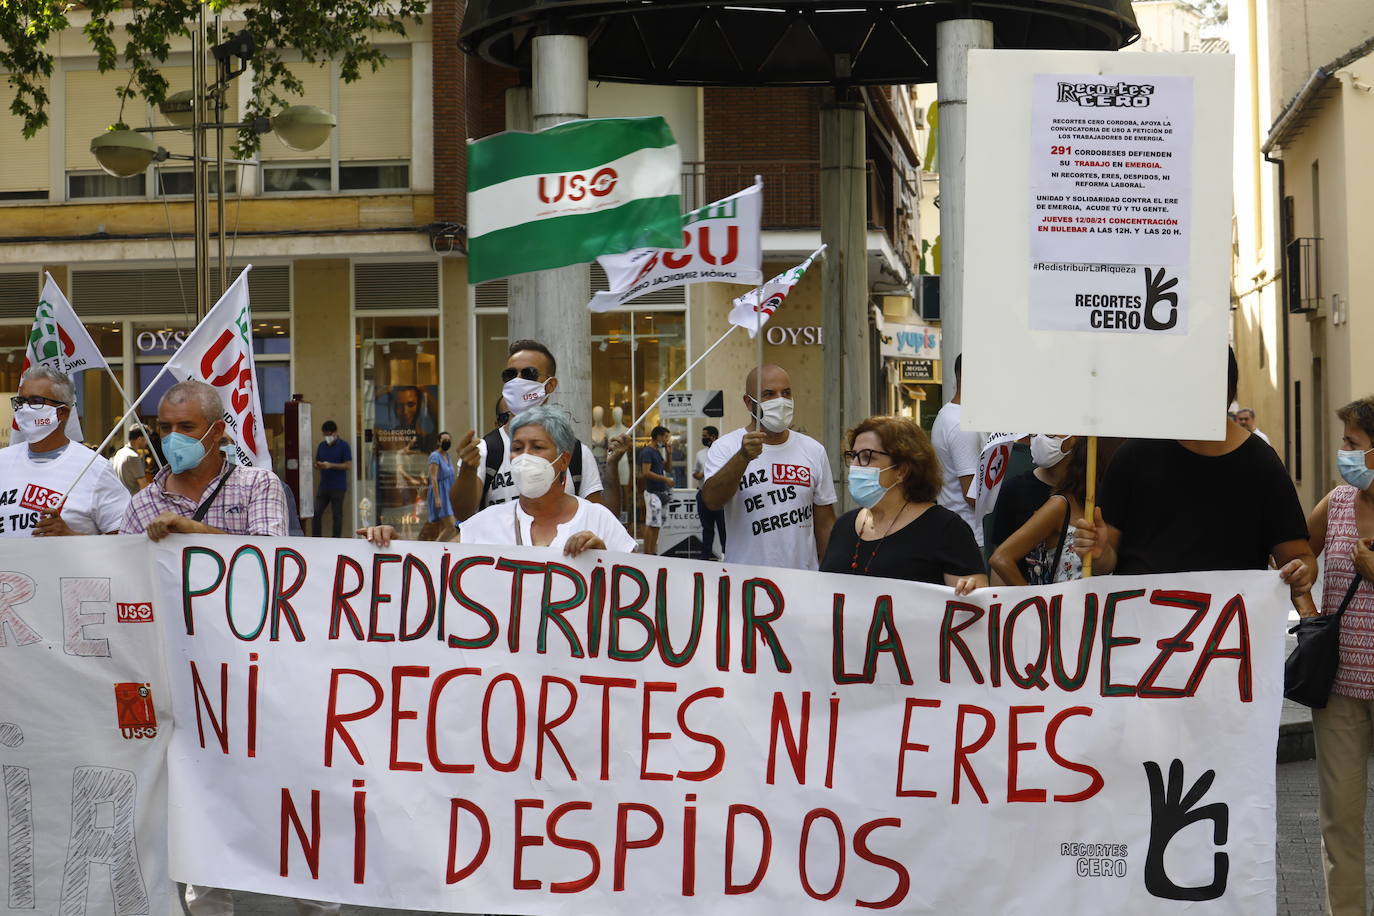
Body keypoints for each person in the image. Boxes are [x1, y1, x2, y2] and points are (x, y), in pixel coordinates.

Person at [1073, 349, 1315, 597]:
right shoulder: (1134, 454)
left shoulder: (1261, 463)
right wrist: (1100, 551)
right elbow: (1105, 561)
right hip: (1142, 629)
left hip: (1228, 629)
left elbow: (1299, 557)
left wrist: (1300, 572)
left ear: (1227, 392)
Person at [1295, 395, 1374, 916]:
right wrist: (1306, 610)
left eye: (1352, 444)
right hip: (1342, 687)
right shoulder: (1339, 502)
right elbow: (1296, 553)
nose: (1343, 453)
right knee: (1340, 820)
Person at [363, 406, 634, 556]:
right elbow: (431, 570)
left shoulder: (598, 520)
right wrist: (393, 547)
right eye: (517, 448)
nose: (524, 457)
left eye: (537, 447)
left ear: (563, 461)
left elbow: (638, 592)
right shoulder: (485, 524)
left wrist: (604, 560)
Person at [820, 416, 985, 592]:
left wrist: (970, 590)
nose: (855, 466)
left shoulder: (945, 529)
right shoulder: (843, 525)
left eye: (867, 457)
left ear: (902, 470)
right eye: (853, 456)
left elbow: (974, 603)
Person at [700, 364, 836, 570]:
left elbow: (825, 523)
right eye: (769, 394)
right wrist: (742, 457)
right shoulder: (726, 447)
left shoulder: (813, 450)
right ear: (748, 402)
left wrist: (831, 576)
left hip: (803, 583)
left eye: (786, 393)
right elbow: (711, 500)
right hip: (745, 582)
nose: (780, 401)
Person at [121, 380, 290, 541]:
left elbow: (268, 561)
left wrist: (196, 530)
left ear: (216, 431)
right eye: (165, 428)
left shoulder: (257, 485)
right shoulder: (142, 504)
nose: (173, 437)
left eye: (186, 427)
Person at [452, 339, 603, 519]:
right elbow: (462, 512)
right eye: (510, 374)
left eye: (528, 373)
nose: (517, 380)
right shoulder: (484, 452)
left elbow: (596, 520)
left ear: (550, 385)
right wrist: (468, 471)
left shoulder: (576, 453)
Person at [0, 365, 129, 537]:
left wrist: (70, 536)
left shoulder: (94, 468)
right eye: (20, 401)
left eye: (35, 401)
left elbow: (126, 539)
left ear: (62, 413)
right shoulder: (3, 461)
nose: (24, 409)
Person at [989, 437, 1121, 586]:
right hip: (1057, 607)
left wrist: (1101, 554)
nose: (1039, 438)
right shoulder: (1059, 505)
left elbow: (1107, 566)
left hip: (1095, 606)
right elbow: (1000, 559)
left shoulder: (1105, 502)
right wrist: (1036, 604)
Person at [986, 434, 1076, 582]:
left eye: (1051, 431)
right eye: (1035, 432)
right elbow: (998, 569)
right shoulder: (1014, 490)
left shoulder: (1089, 491)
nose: (1040, 437)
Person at [931, 354, 983, 547]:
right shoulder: (962, 424)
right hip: (972, 536)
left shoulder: (949, 416)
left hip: (960, 531)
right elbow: (972, 495)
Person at [312, 420, 351, 538]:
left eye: (329, 434)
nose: (327, 437)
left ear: (335, 433)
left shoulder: (343, 446)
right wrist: (318, 465)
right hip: (324, 485)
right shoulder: (322, 446)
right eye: (325, 435)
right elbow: (316, 462)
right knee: (316, 513)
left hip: (338, 486)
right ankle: (315, 538)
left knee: (337, 515)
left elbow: (348, 465)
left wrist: (331, 465)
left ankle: (336, 540)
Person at [638, 425, 673, 554]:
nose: (667, 440)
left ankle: (652, 551)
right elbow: (646, 472)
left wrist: (669, 455)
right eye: (665, 436)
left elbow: (668, 469)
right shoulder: (648, 451)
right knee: (651, 523)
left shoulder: (657, 451)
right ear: (658, 436)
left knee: (657, 523)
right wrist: (665, 480)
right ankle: (648, 552)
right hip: (652, 492)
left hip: (660, 492)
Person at [694, 425, 726, 559]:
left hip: (720, 495)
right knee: (707, 527)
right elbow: (695, 473)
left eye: (705, 436)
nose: (703, 438)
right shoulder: (700, 454)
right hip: (703, 493)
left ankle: (726, 554)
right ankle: (705, 556)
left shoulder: (724, 451)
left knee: (723, 527)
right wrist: (700, 474)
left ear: (713, 437)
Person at [419, 431, 456, 541]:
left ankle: (441, 550)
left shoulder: (448, 456)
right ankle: (437, 547)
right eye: (444, 440)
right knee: (451, 527)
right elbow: (433, 477)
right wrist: (437, 498)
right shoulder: (435, 456)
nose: (447, 442)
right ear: (438, 442)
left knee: (443, 526)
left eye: (449, 440)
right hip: (440, 493)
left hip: (448, 492)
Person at [111, 427, 149, 494]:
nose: (147, 442)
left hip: (120, 496)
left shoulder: (120, 452)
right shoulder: (133, 457)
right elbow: (144, 486)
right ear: (140, 439)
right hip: (131, 498)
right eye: (146, 438)